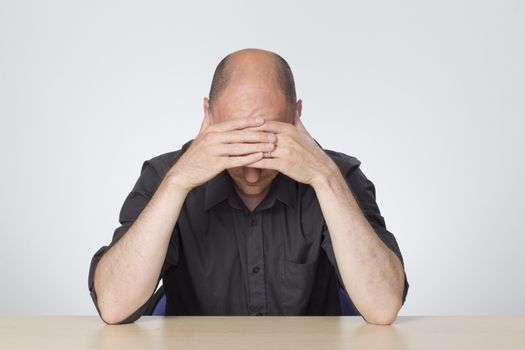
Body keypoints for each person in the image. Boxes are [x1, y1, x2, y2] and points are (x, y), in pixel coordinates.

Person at [88, 48, 409, 325]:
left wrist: (324, 178)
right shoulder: (165, 175)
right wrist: (177, 182)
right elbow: (115, 306)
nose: (253, 172)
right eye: (236, 143)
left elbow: (382, 308)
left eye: (270, 142)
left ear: (296, 116)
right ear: (208, 116)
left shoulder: (337, 176)